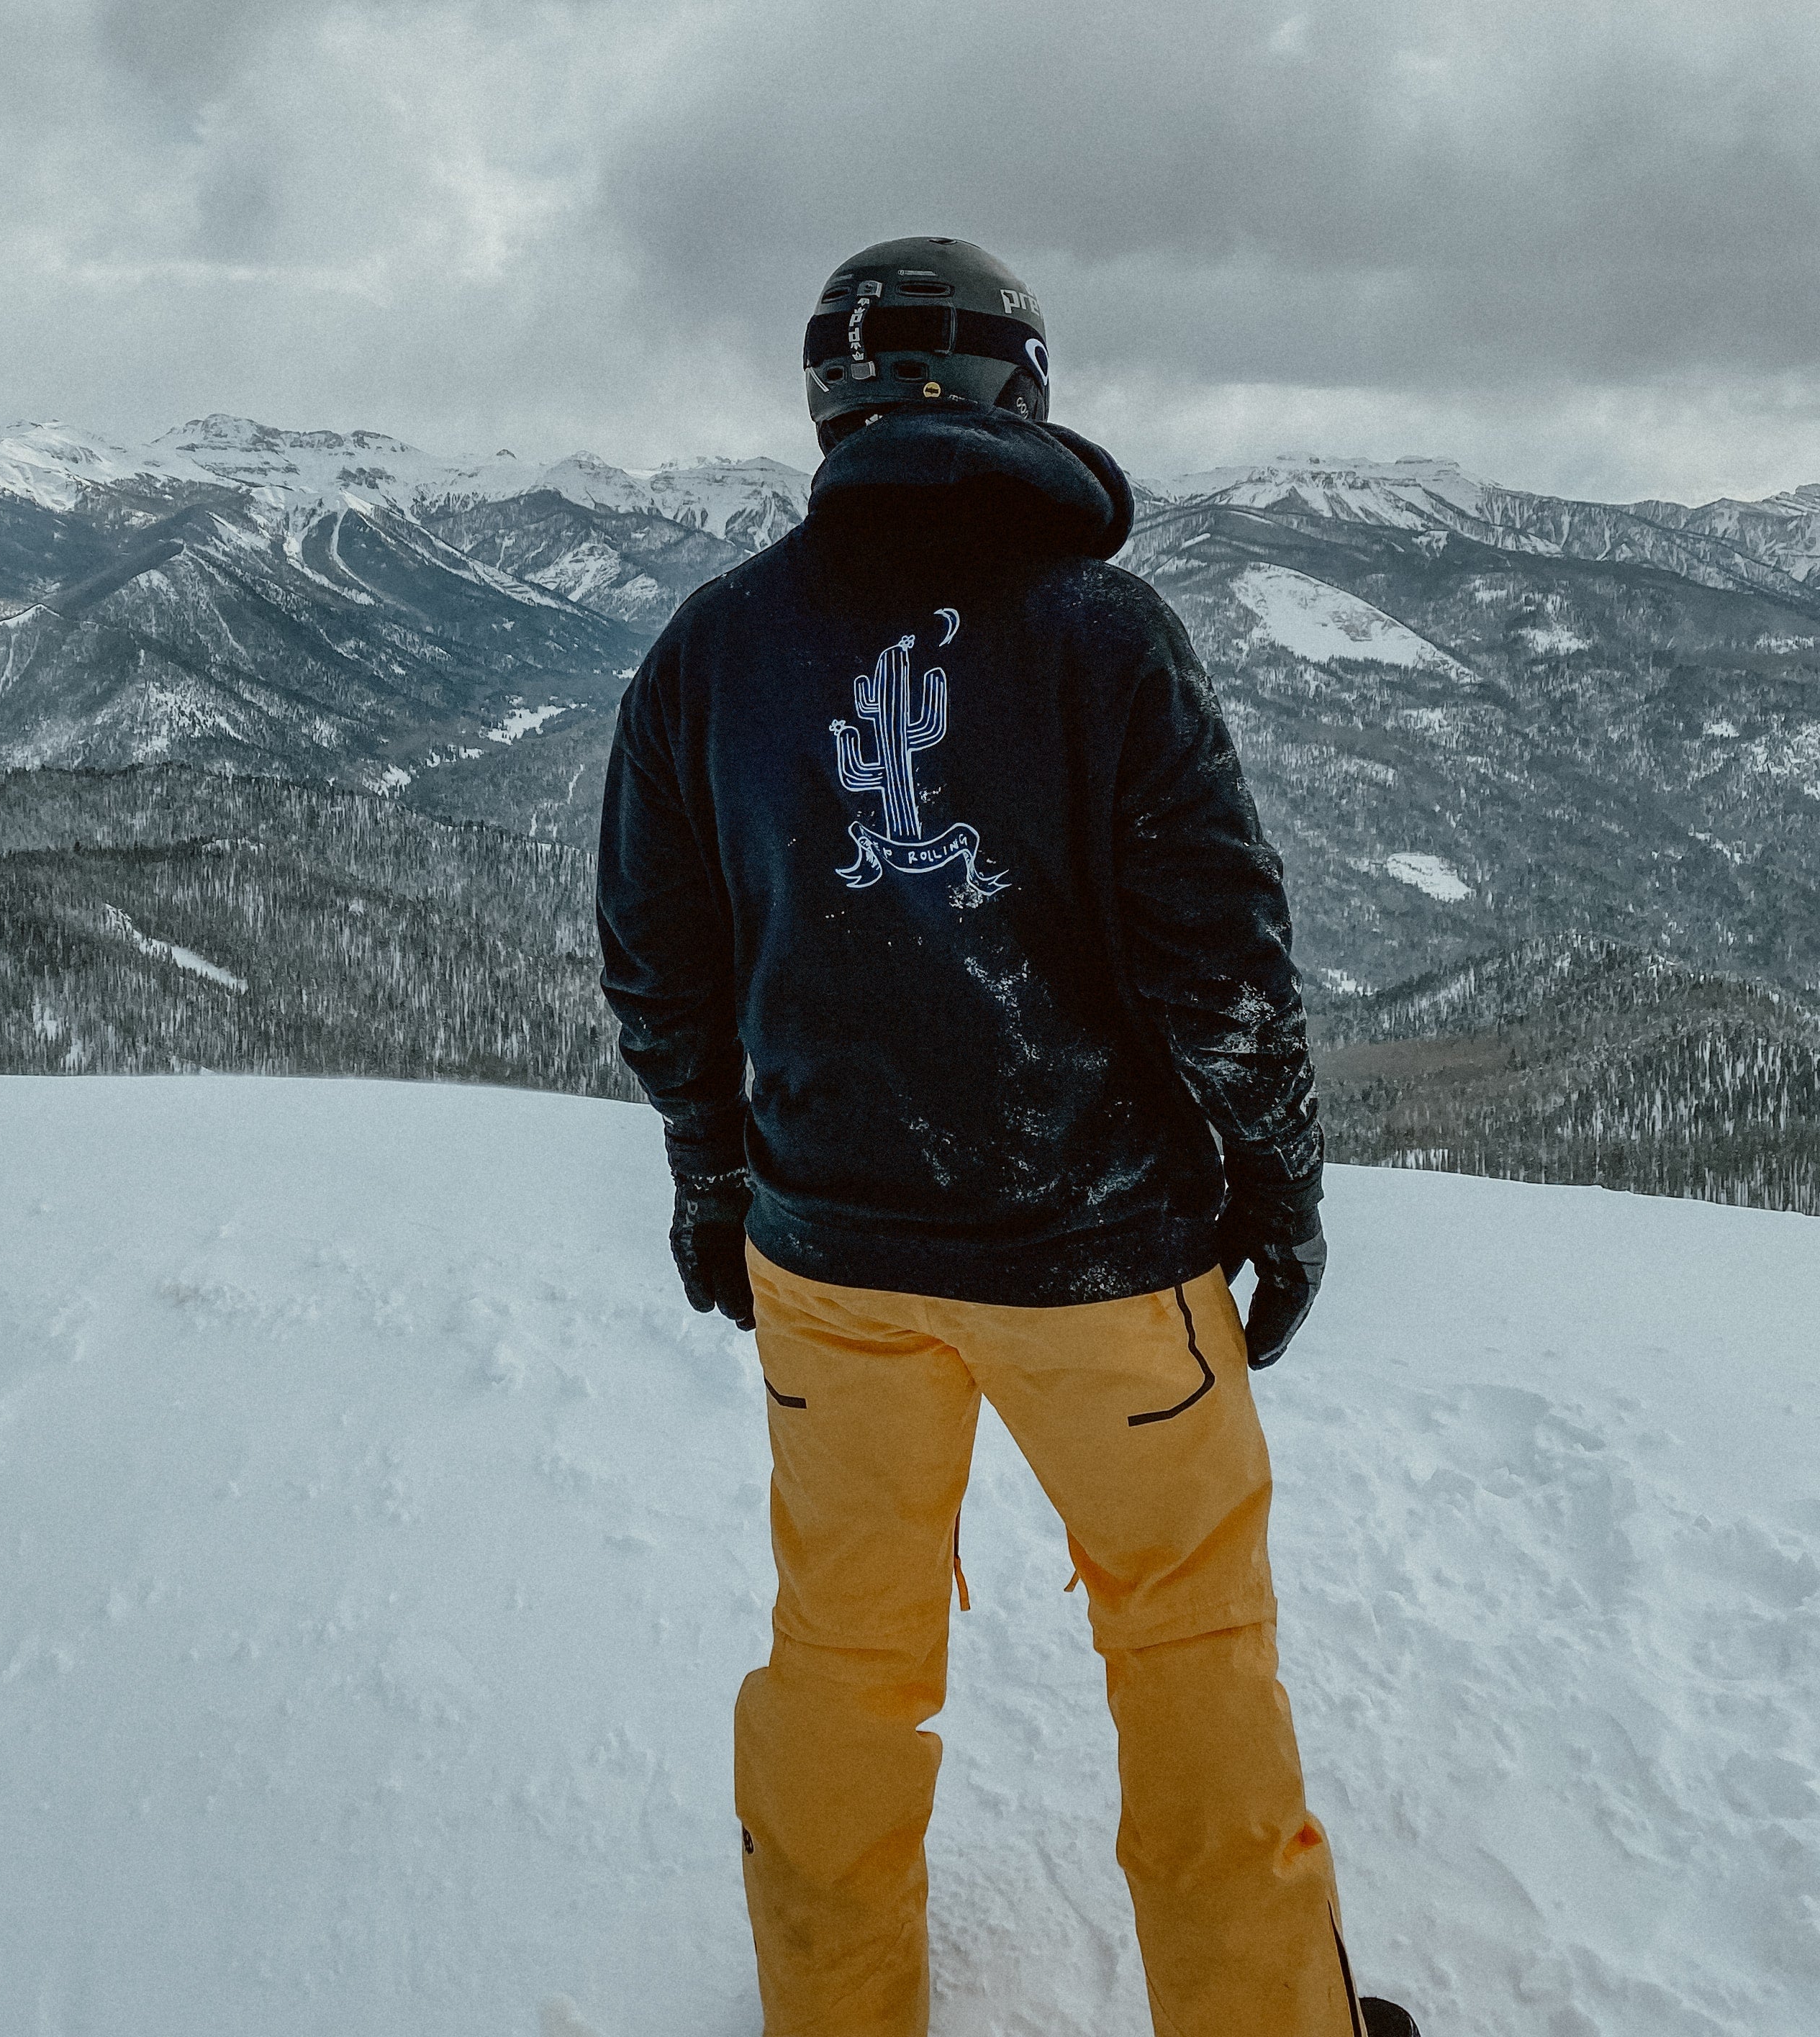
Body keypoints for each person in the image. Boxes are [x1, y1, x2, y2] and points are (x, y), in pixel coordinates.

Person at [596, 235, 1420, 2037]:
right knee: (1192, 1652)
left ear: (827, 392)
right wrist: (1276, 1196)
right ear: (1017, 388)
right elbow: (1221, 962)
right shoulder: (1101, 634)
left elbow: (662, 958)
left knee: (841, 1658)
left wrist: (713, 1181)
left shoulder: (716, 646)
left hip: (829, 1260)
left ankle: (833, 2007)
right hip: (1105, 1264)